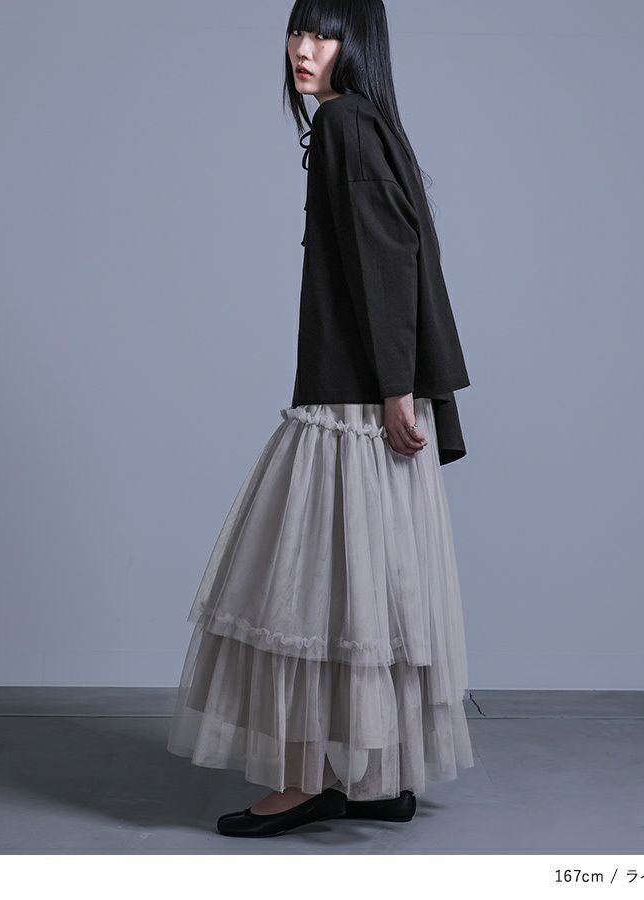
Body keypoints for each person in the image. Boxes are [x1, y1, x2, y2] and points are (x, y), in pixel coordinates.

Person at [166, 0, 475, 839]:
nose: (303, 48)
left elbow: (386, 258)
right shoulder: (369, 123)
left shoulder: (343, 125)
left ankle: (305, 781)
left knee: (308, 589)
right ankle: (370, 775)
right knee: (369, 590)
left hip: (356, 397)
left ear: (356, 44)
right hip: (373, 391)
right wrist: (401, 385)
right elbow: (402, 251)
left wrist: (393, 388)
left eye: (324, 33)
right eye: (297, 30)